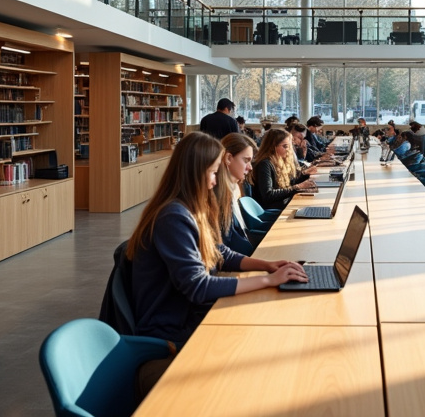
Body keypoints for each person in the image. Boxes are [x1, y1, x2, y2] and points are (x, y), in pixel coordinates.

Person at [126, 132, 307, 346]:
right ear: (194, 173)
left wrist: (268, 266)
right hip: (173, 330)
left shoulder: (191, 209)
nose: (215, 181)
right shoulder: (173, 217)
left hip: (191, 315)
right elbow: (198, 287)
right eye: (213, 173)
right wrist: (268, 280)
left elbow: (220, 251)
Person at [250, 128, 318, 211]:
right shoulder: (264, 164)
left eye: (289, 146)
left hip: (285, 204)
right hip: (276, 210)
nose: (289, 150)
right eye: (285, 146)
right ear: (272, 147)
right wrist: (297, 187)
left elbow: (290, 182)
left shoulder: (281, 160)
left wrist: (305, 174)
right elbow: (268, 195)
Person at [214, 133, 258, 255]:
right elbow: (226, 246)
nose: (250, 168)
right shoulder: (217, 196)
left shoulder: (236, 188)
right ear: (228, 158)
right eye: (246, 160)